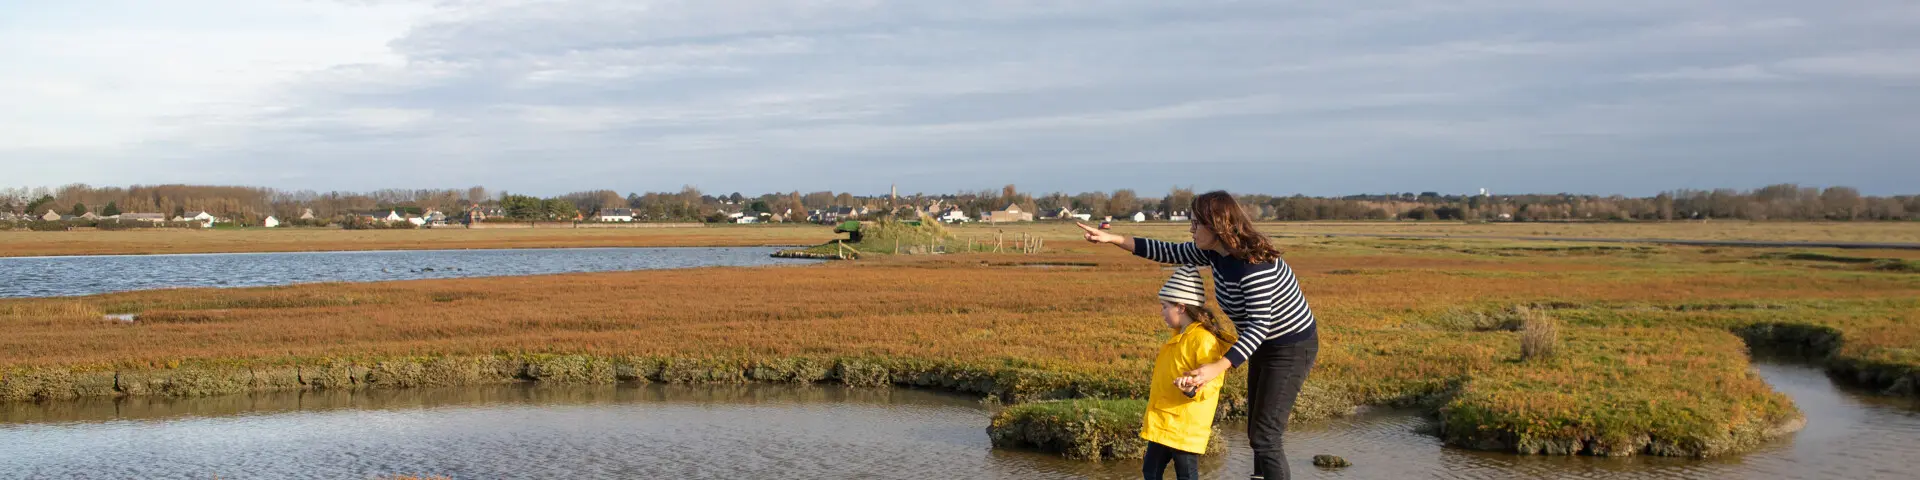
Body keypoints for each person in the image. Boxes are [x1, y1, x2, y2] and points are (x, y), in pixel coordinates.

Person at [1078, 190, 1319, 480]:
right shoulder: (1213, 253)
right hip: (1260, 345)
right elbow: (1166, 251)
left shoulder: (1254, 266)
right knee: (1256, 431)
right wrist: (1113, 239)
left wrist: (1215, 369)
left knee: (1265, 436)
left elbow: (1259, 326)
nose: (1190, 228)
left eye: (1196, 223)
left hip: (1289, 346)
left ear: (1217, 226)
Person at [1142, 265, 1236, 480]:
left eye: (1165, 306)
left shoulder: (1203, 339)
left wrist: (1192, 391)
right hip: (1164, 419)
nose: (1161, 312)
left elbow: (1213, 382)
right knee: (1150, 471)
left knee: (1186, 475)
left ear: (1181, 307)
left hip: (1185, 423)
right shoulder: (1179, 335)